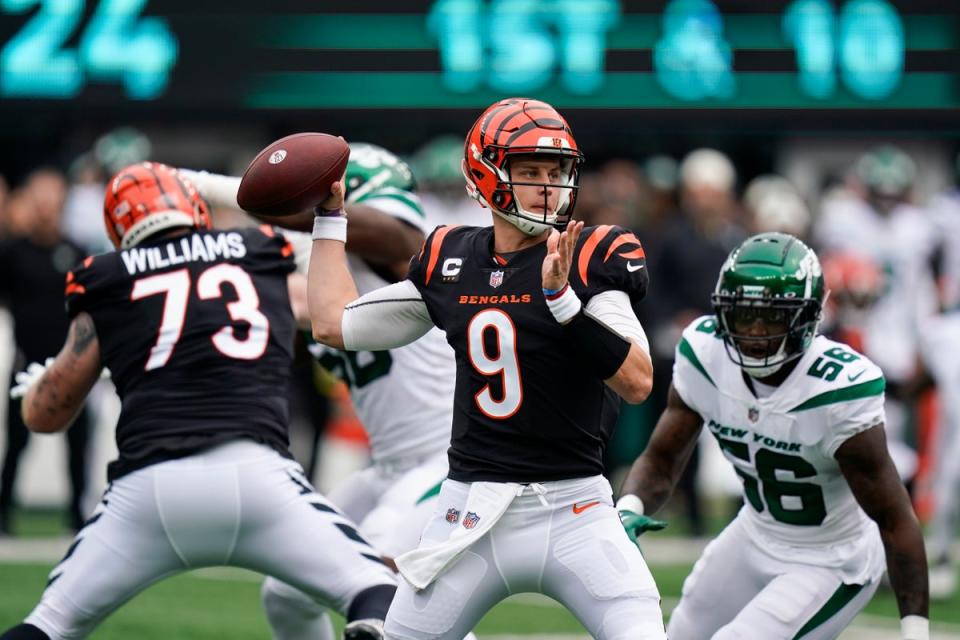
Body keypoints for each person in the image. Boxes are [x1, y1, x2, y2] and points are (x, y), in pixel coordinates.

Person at [305, 97, 665, 639]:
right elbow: (335, 324)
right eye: (530, 171)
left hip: (577, 509)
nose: (549, 186)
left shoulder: (591, 253)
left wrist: (564, 302)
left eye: (556, 171)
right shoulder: (452, 258)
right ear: (487, 174)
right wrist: (330, 220)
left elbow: (637, 381)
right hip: (469, 508)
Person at [0, 162, 396, 640]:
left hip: (148, 491)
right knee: (377, 593)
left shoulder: (106, 276)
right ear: (193, 207)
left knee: (47, 625)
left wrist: (38, 387)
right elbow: (332, 312)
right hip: (258, 479)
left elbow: (46, 415)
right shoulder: (256, 251)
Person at [183, 144, 471, 640]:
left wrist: (195, 181)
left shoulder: (406, 253)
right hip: (386, 468)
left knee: (384, 582)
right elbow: (243, 305)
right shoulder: (318, 274)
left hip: (443, 463)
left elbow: (383, 230)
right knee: (286, 591)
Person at [618, 232, 929, 639]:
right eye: (744, 315)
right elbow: (662, 459)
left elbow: (894, 518)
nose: (756, 331)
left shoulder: (838, 389)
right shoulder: (704, 352)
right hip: (756, 531)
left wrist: (916, 630)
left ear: (808, 316)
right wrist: (629, 506)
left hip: (831, 559)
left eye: (774, 316)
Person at [0, 171, 91, 534]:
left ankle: (77, 515)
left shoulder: (76, 251)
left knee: (78, 444)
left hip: (72, 364)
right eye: (39, 198)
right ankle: (4, 512)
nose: (45, 207)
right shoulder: (12, 252)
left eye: (51, 198)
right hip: (27, 364)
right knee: (17, 442)